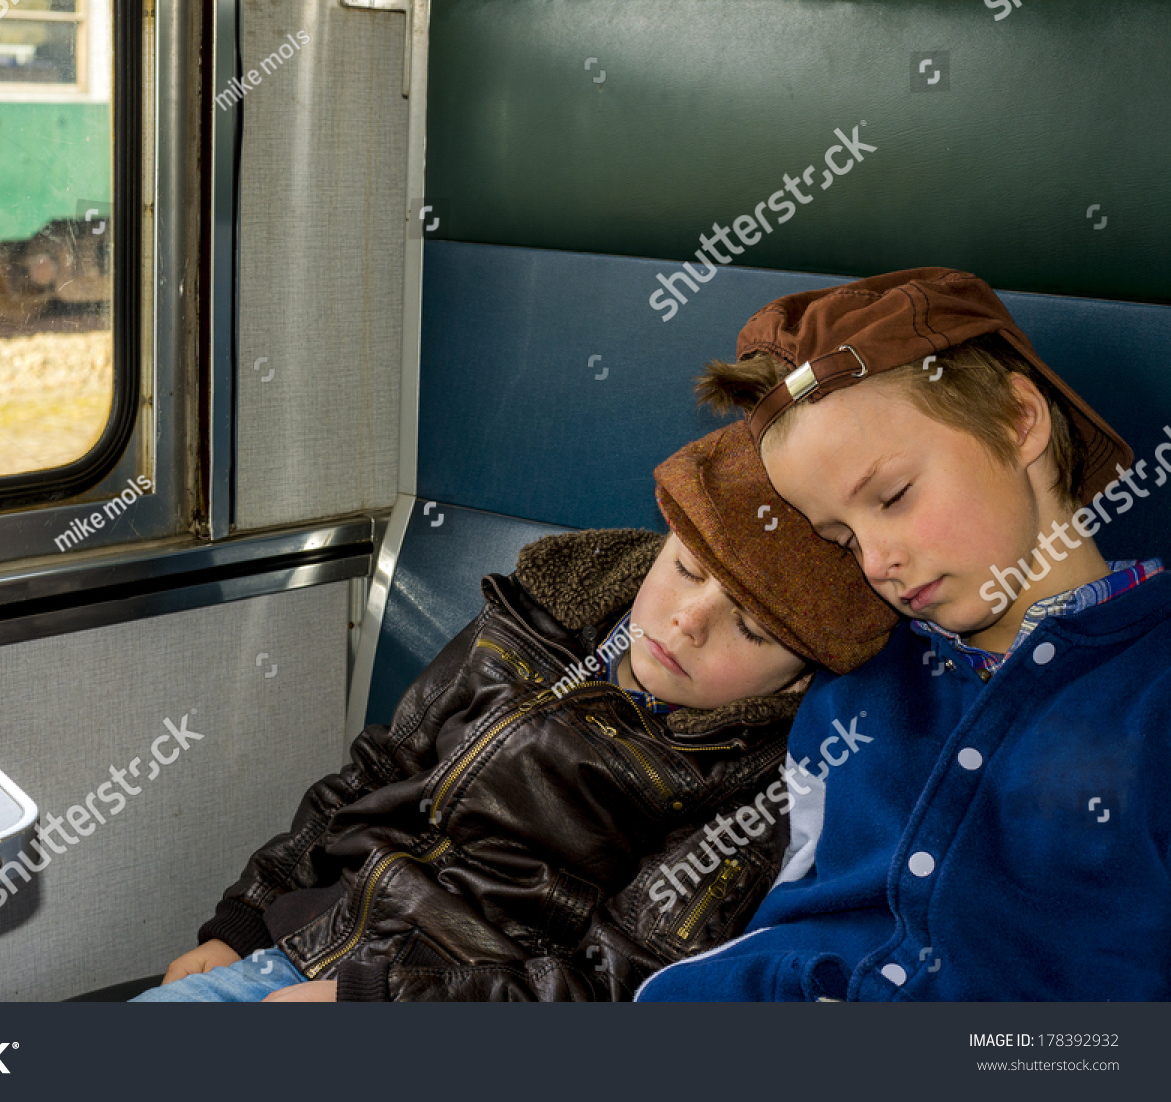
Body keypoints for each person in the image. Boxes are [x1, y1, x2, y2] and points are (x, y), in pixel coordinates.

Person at [132, 422, 895, 1002]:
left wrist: (375, 1001)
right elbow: (377, 770)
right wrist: (245, 919)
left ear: (800, 680)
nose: (688, 620)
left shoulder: (752, 788)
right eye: (686, 568)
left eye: (752, 628)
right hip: (303, 939)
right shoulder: (535, 624)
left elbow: (617, 979)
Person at [637, 266, 1169, 1002]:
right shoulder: (861, 679)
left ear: (1020, 419)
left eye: (893, 496)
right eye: (840, 537)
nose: (877, 561)